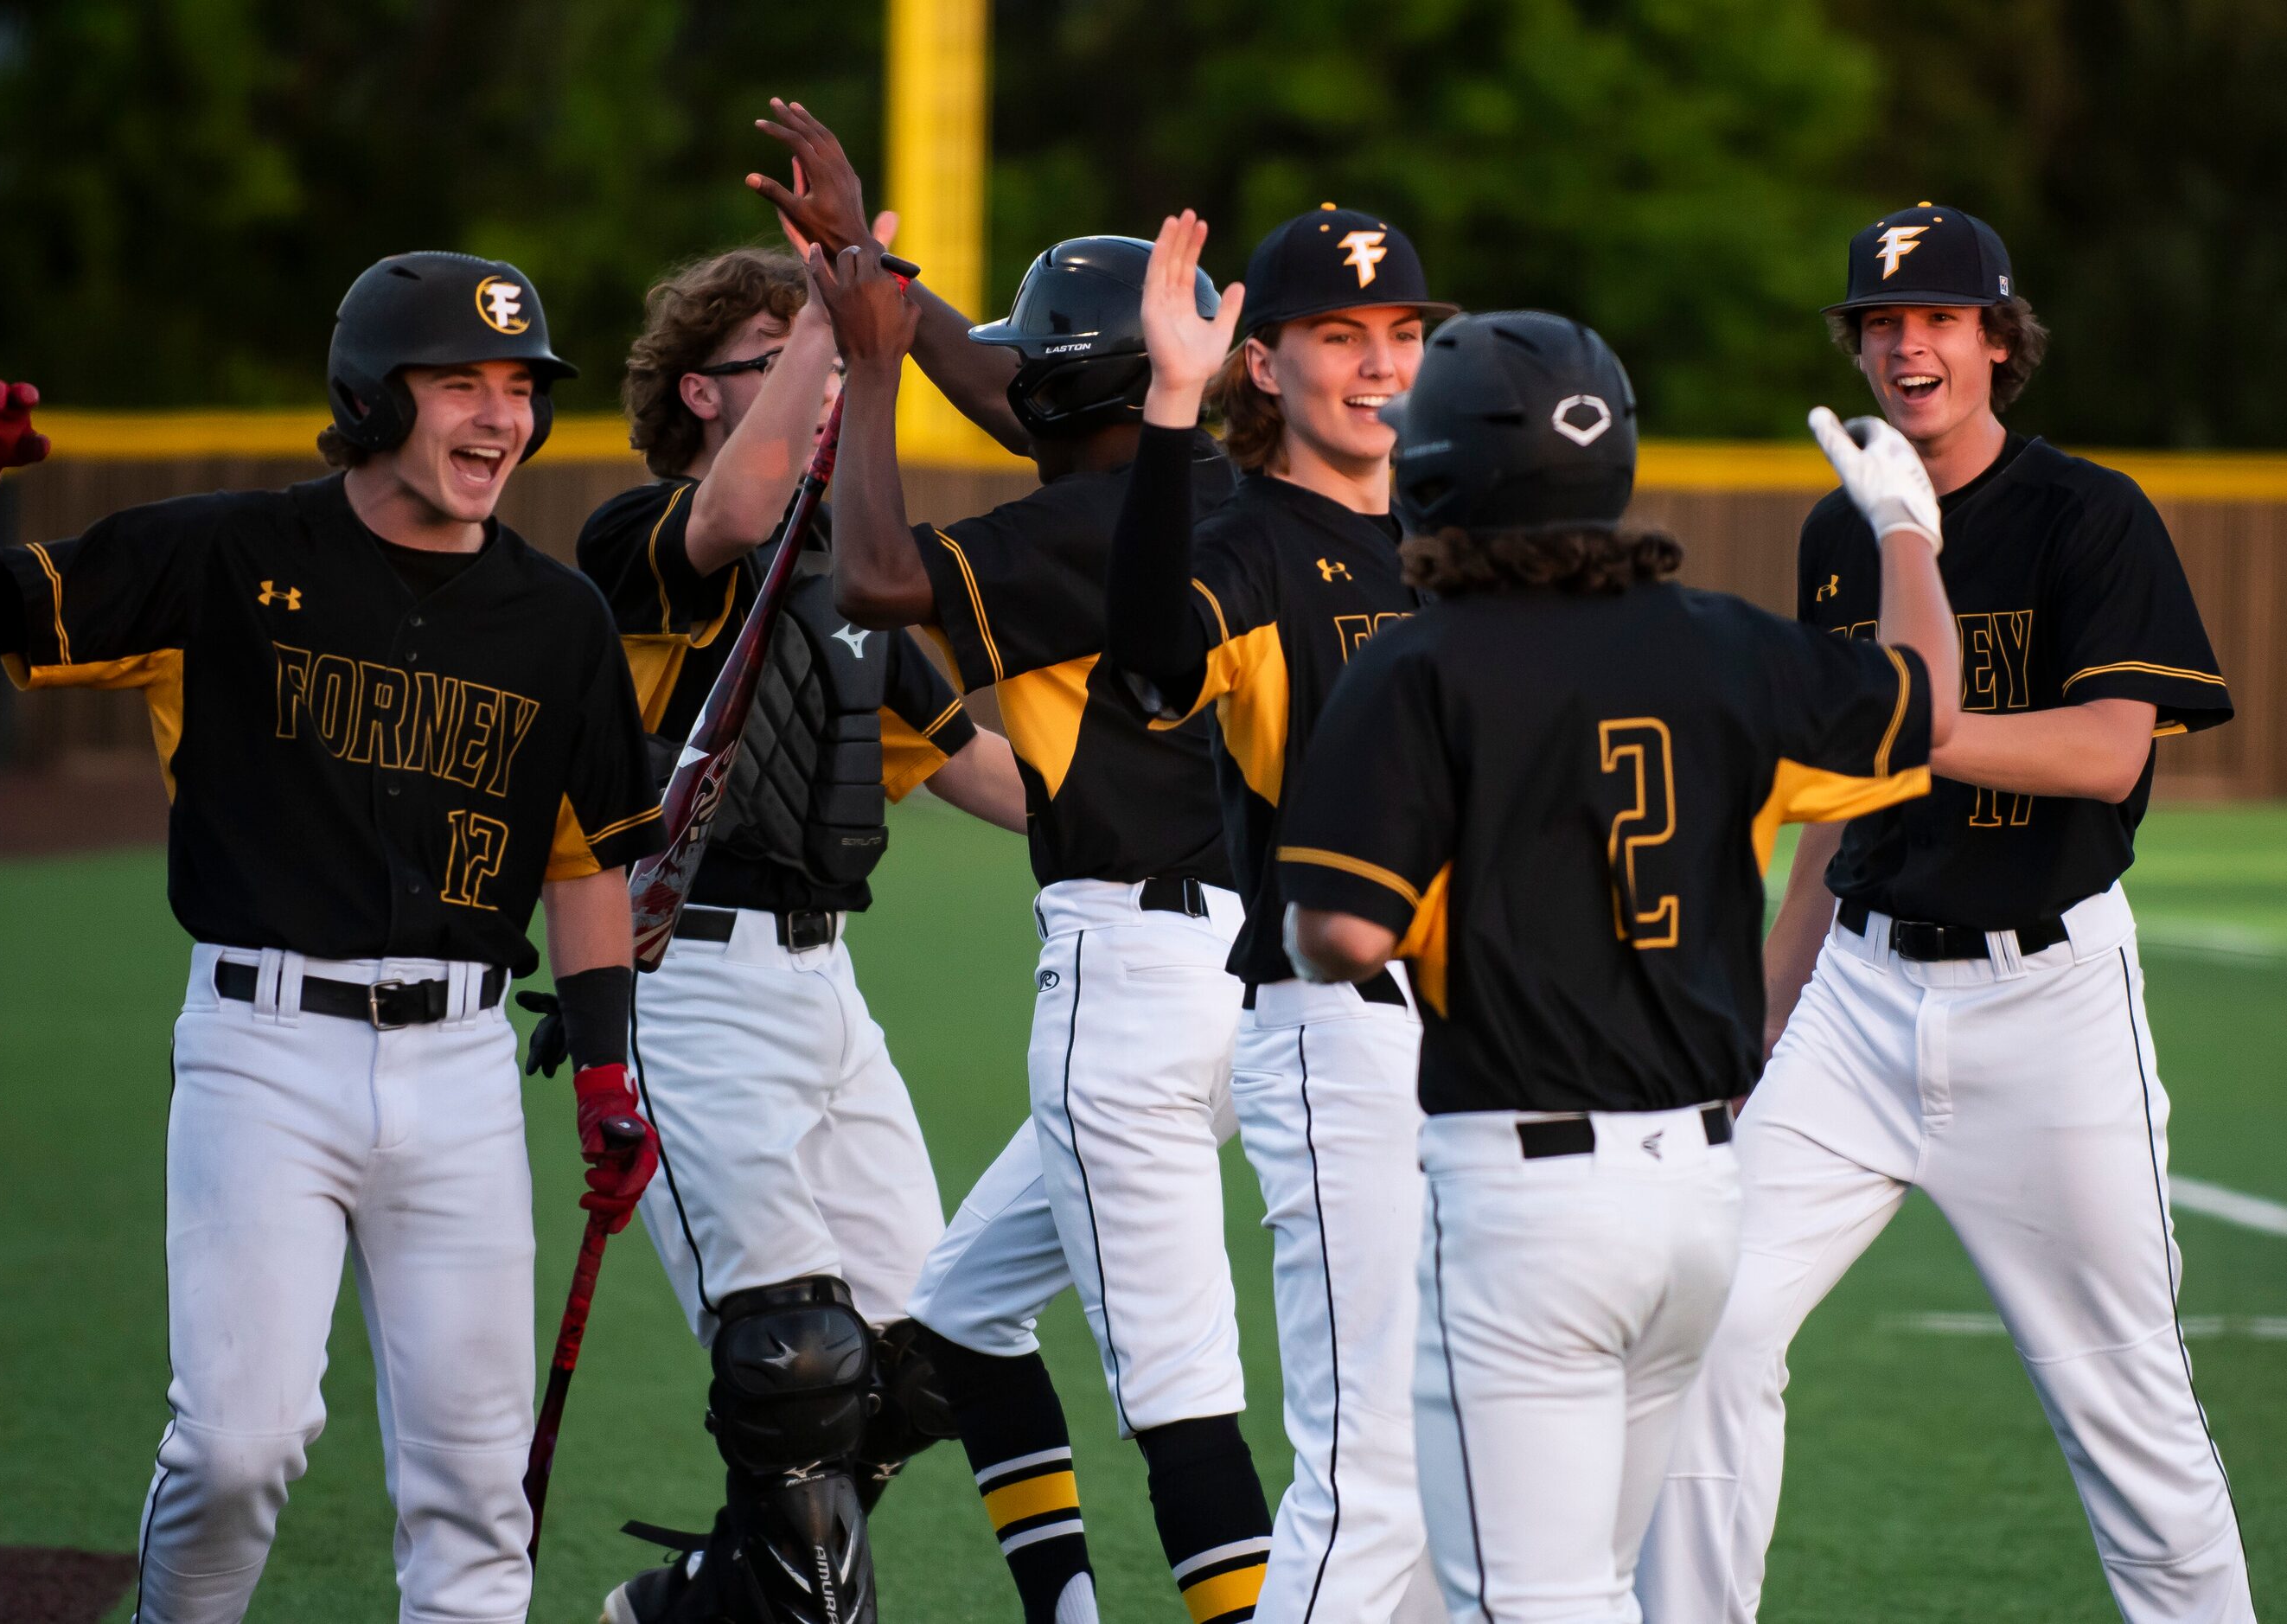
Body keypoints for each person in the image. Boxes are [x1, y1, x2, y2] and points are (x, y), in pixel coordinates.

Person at [0, 254, 666, 1624]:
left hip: (465, 1070)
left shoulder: (560, 620)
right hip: (263, 1051)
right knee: (238, 1445)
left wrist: (608, 1073)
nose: (500, 418)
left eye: (518, 389)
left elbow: (589, 864)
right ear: (373, 398)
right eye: (460, 384)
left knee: (478, 1491)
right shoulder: (226, 556)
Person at [1275, 309, 1959, 1623]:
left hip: (1524, 1198)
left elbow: (1344, 934)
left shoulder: (1416, 660)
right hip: (1699, 1198)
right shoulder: (1721, 639)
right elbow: (1924, 700)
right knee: (1593, 1590)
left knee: (1524, 1600)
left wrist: (1337, 917)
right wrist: (1904, 525)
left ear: (1436, 470)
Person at [1637, 203, 2251, 1623]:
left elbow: (2108, 751)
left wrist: (1904, 719)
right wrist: (1760, 1012)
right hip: (1856, 995)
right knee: (1706, 1323)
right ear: (1855, 346)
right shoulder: (1837, 525)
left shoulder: (2084, 509)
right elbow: (1831, 813)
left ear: (1995, 337)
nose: (1909, 343)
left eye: (1939, 318)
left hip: (2044, 1004)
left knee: (2125, 1406)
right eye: (1881, 320)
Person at [805, 189, 1277, 1621]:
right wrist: (882, 275)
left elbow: (876, 577)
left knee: (1182, 1398)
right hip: (1253, 980)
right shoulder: (1239, 508)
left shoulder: (1068, 529)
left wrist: (875, 358)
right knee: (958, 1306)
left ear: (1068, 393)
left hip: (1127, 985)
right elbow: (1040, 396)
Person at [572, 237, 1027, 1624]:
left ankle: (706, 1593)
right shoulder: (646, 543)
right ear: (703, 396)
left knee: (924, 1347)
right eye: (779, 362)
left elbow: (985, 773)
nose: (819, 385)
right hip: (688, 980)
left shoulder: (849, 583)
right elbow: (738, 511)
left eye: (822, 359)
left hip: (828, 989)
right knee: (791, 1354)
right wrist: (847, 320)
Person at [1108, 205, 1457, 1624]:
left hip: (1486, 1047)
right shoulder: (1250, 546)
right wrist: (1166, 401)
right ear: (1267, 364)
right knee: (1366, 1467)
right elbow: (1144, 660)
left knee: (1466, 1450)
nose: (1377, 366)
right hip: (1340, 1035)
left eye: (1402, 336)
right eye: (1337, 338)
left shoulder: (1450, 543)